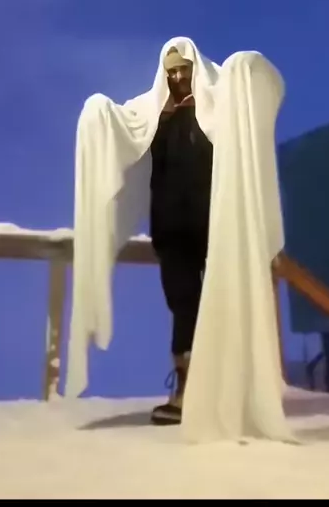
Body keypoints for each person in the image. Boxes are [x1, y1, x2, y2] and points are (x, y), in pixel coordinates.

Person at [149, 47, 214, 425]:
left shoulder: (213, 114)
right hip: (172, 230)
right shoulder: (159, 119)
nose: (176, 78)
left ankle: (223, 391)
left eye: (183, 71)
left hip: (211, 226)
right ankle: (186, 390)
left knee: (221, 302)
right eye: (170, 72)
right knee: (183, 305)